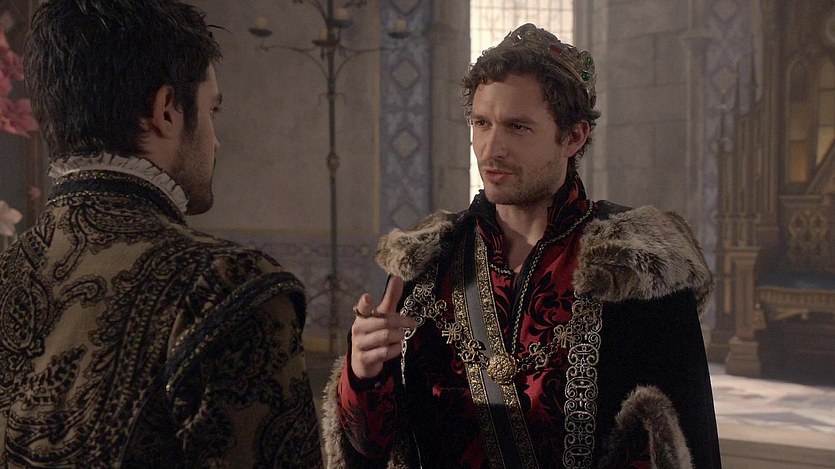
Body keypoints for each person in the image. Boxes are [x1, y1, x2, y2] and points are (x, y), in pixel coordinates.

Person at [322, 23, 721, 468]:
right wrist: (363, 374)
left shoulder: (638, 265)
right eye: (481, 123)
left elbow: (687, 448)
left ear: (573, 137)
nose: (491, 149)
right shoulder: (427, 264)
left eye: (517, 127)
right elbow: (374, 447)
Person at [0, 1, 323, 467]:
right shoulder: (229, 288)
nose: (215, 141)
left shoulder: (7, 271)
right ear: (167, 110)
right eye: (211, 109)